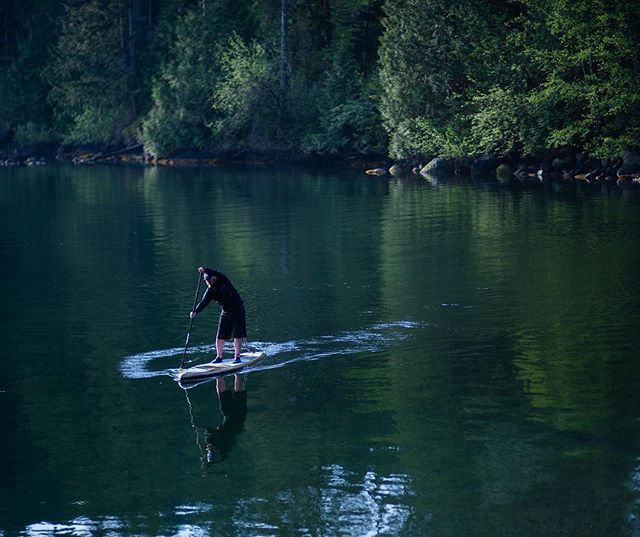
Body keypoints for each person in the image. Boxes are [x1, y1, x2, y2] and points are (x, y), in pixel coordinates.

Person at [190, 266, 247, 363]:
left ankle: (237, 357)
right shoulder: (210, 291)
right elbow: (204, 302)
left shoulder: (223, 280)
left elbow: (216, 272)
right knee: (220, 335)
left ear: (214, 278)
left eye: (208, 280)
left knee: (237, 335)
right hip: (226, 312)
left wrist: (205, 269)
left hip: (238, 310)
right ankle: (219, 357)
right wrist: (195, 311)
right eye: (205, 281)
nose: (207, 282)